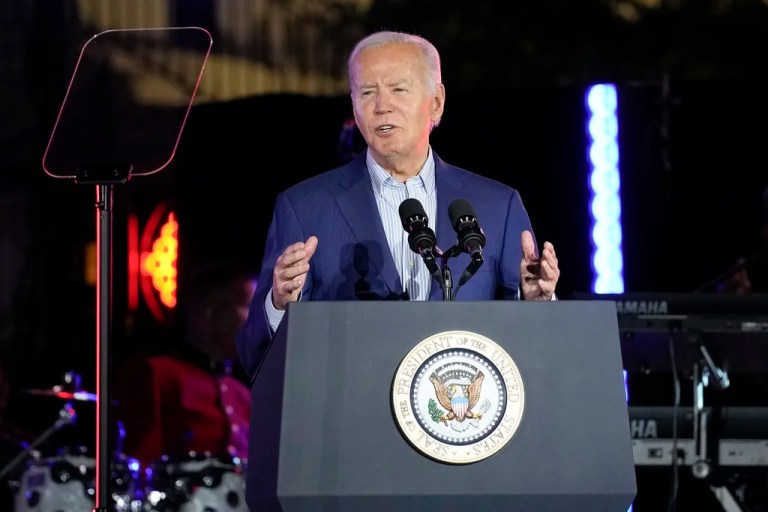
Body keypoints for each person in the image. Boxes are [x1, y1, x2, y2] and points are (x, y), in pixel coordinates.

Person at [237, 30, 560, 375]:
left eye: (398, 89)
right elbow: (253, 355)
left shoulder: (499, 206)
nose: (381, 106)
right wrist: (280, 305)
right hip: (351, 416)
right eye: (367, 92)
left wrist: (537, 304)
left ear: (436, 101)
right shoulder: (304, 208)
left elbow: (539, 355)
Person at [114, 260, 257, 469]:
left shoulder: (244, 396)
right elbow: (138, 468)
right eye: (249, 307)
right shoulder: (156, 374)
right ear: (210, 308)